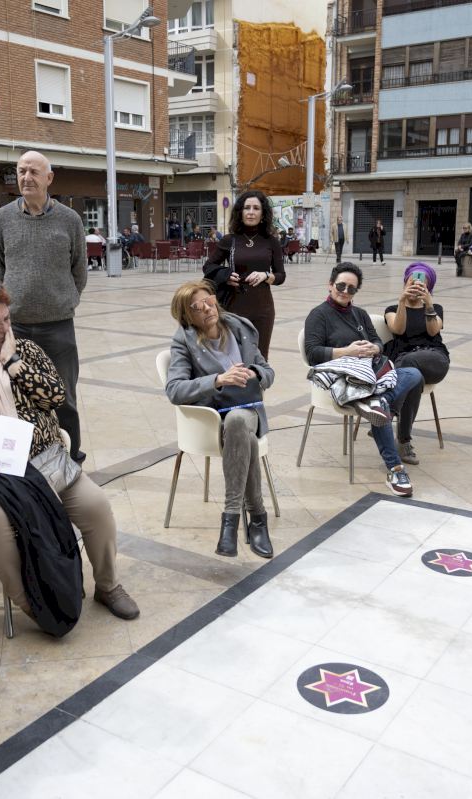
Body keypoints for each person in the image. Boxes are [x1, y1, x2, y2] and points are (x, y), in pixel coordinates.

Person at [0, 279, 140, 621]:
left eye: (6, 319)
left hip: (46, 461)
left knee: (96, 506)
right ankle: (29, 601)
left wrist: (14, 365)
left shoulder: (27, 351)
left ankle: (107, 585)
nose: (4, 329)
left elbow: (55, 397)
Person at [165, 280, 276, 559]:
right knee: (242, 434)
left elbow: (268, 372)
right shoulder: (184, 341)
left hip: (248, 408)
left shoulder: (240, 329)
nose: (207, 308)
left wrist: (255, 373)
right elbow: (174, 389)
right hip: (212, 420)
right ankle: (257, 518)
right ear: (186, 315)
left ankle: (230, 521)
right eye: (197, 306)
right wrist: (218, 380)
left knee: (238, 422)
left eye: (209, 301)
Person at [0, 150, 88, 467]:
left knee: (64, 396)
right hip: (16, 327)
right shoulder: (3, 217)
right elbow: (1, 266)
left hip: (58, 326)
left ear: (49, 178)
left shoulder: (70, 220)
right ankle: (22, 461)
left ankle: (71, 459)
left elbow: (79, 270)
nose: (26, 177)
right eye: (21, 171)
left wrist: (67, 300)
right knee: (16, 395)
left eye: (34, 172)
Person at [303, 263, 422, 496]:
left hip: (371, 374)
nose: (345, 291)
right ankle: (395, 468)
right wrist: (347, 351)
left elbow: (378, 341)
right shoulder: (318, 315)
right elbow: (312, 353)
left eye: (351, 288)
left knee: (414, 374)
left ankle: (379, 403)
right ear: (330, 285)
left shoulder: (360, 314)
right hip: (345, 379)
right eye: (341, 286)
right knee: (381, 403)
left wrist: (374, 348)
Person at [202, 190, 286, 358]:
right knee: (235, 358)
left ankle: (258, 377)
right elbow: (208, 266)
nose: (251, 212)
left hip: (263, 309)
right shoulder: (230, 240)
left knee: (260, 358)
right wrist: (226, 275)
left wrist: (266, 276)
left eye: (256, 208)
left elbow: (281, 275)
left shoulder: (271, 241)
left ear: (263, 214)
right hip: (234, 309)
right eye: (247, 208)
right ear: (240, 212)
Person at [383, 263, 448, 466]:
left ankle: (388, 412)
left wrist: (428, 305)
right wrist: (402, 301)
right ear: (405, 283)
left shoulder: (436, 308)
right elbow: (398, 329)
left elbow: (433, 331)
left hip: (434, 359)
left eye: (421, 283)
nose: (416, 286)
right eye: (411, 282)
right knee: (413, 376)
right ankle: (404, 441)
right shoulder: (392, 309)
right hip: (404, 360)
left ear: (429, 287)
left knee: (410, 368)